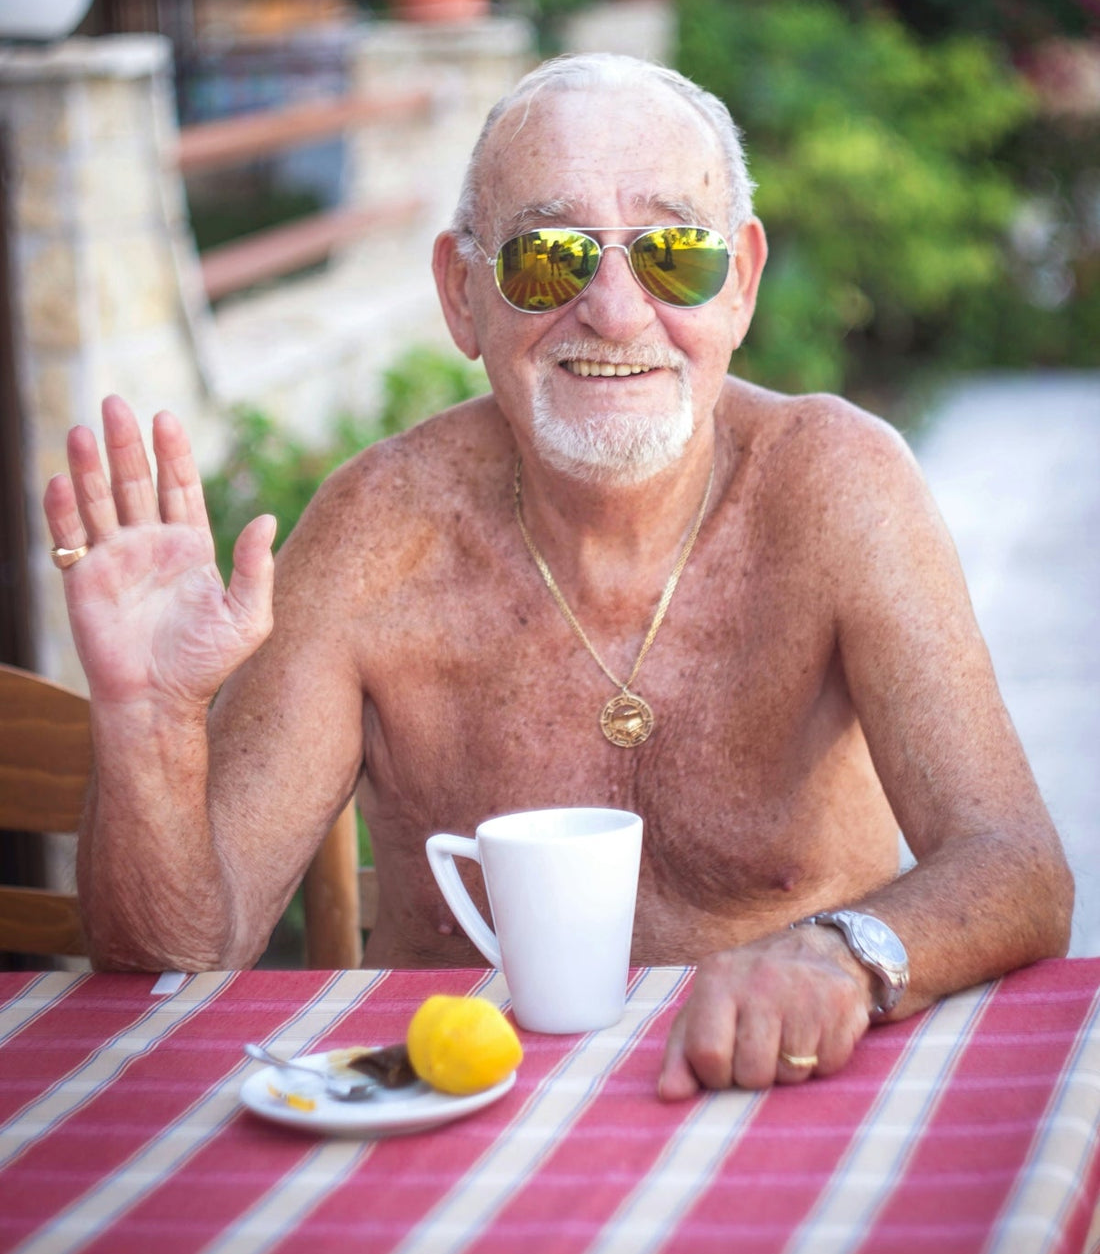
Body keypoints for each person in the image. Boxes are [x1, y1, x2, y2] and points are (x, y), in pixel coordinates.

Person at [44, 53, 1072, 1097]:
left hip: (781, 1102)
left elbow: (1016, 866)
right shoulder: (372, 534)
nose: (616, 312)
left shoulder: (837, 488)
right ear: (462, 295)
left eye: (673, 253)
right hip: (448, 1125)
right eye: (547, 258)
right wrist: (149, 720)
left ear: (741, 282)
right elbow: (178, 953)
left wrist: (839, 953)